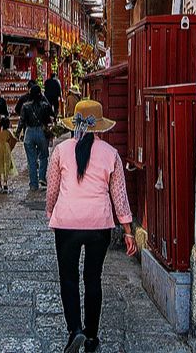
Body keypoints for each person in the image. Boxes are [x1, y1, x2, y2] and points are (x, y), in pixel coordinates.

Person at [46, 100, 137, 353]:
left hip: (67, 224)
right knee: (93, 278)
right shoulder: (110, 154)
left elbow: (52, 188)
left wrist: (51, 212)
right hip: (99, 225)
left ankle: (74, 329)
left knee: (68, 278)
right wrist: (128, 231)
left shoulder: (61, 151)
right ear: (99, 127)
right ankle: (92, 336)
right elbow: (119, 195)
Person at [20, 85, 54, 190]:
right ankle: (42, 177)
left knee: (31, 160)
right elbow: (52, 117)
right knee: (43, 156)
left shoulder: (25, 106)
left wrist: (17, 133)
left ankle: (33, 184)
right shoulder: (45, 105)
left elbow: (21, 121)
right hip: (42, 132)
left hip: (29, 132)